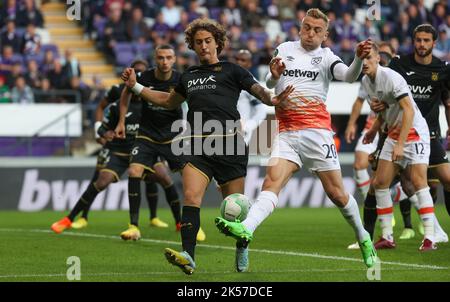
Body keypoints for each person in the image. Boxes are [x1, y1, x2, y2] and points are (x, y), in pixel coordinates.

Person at [118, 18, 294, 275]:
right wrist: (135, 85)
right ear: (192, 45)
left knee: (236, 208)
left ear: (218, 43)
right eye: (198, 42)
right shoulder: (188, 75)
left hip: (231, 146)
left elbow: (260, 92)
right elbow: (168, 101)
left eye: (208, 41)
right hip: (198, 144)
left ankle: (242, 244)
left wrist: (273, 97)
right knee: (191, 197)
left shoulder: (233, 70)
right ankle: (188, 256)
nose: (203, 46)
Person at [214, 8, 378, 270]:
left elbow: (348, 77)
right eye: (307, 27)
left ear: (325, 35)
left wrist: (357, 58)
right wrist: (274, 75)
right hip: (287, 132)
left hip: (317, 134)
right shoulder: (285, 48)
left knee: (337, 194)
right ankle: (245, 230)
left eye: (317, 30)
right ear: (300, 27)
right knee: (271, 183)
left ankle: (363, 237)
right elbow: (269, 82)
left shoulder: (326, 57)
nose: (310, 33)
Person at [371, 24, 450, 244]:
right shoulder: (398, 64)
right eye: (418, 40)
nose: (422, 44)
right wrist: (377, 122)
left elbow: (447, 101)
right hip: (397, 131)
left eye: (426, 41)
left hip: (429, 133)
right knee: (392, 183)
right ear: (413, 41)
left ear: (435, 43)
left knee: (442, 180)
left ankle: (432, 233)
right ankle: (416, 232)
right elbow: (387, 95)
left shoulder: (443, 69)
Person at [361, 43, 439, 251]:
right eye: (362, 59)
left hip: (414, 133)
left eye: (369, 57)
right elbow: (386, 109)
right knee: (380, 182)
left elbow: (408, 111)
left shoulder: (391, 77)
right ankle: (387, 236)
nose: (365, 62)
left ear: (378, 58)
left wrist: (401, 144)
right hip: (395, 133)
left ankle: (430, 238)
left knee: (418, 181)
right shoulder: (366, 82)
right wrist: (373, 129)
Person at [115, 45, 197, 241]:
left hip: (173, 136)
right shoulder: (144, 78)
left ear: (175, 59)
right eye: (161, 58)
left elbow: (194, 102)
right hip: (147, 135)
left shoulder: (181, 79)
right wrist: (121, 121)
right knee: (134, 171)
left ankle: (187, 223)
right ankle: (133, 226)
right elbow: (126, 93)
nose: (165, 62)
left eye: (169, 58)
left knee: (190, 178)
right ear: (155, 59)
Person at [51, 96, 142, 234]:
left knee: (163, 177)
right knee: (101, 181)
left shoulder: (150, 106)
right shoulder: (116, 106)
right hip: (119, 152)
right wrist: (106, 133)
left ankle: (178, 222)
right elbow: (101, 129)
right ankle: (70, 218)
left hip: (143, 152)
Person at [235, 49, 268, 145]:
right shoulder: (228, 80)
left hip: (240, 134)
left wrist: (247, 126)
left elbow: (261, 111)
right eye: (237, 59)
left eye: (243, 60)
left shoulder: (252, 85)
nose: (238, 62)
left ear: (249, 64)